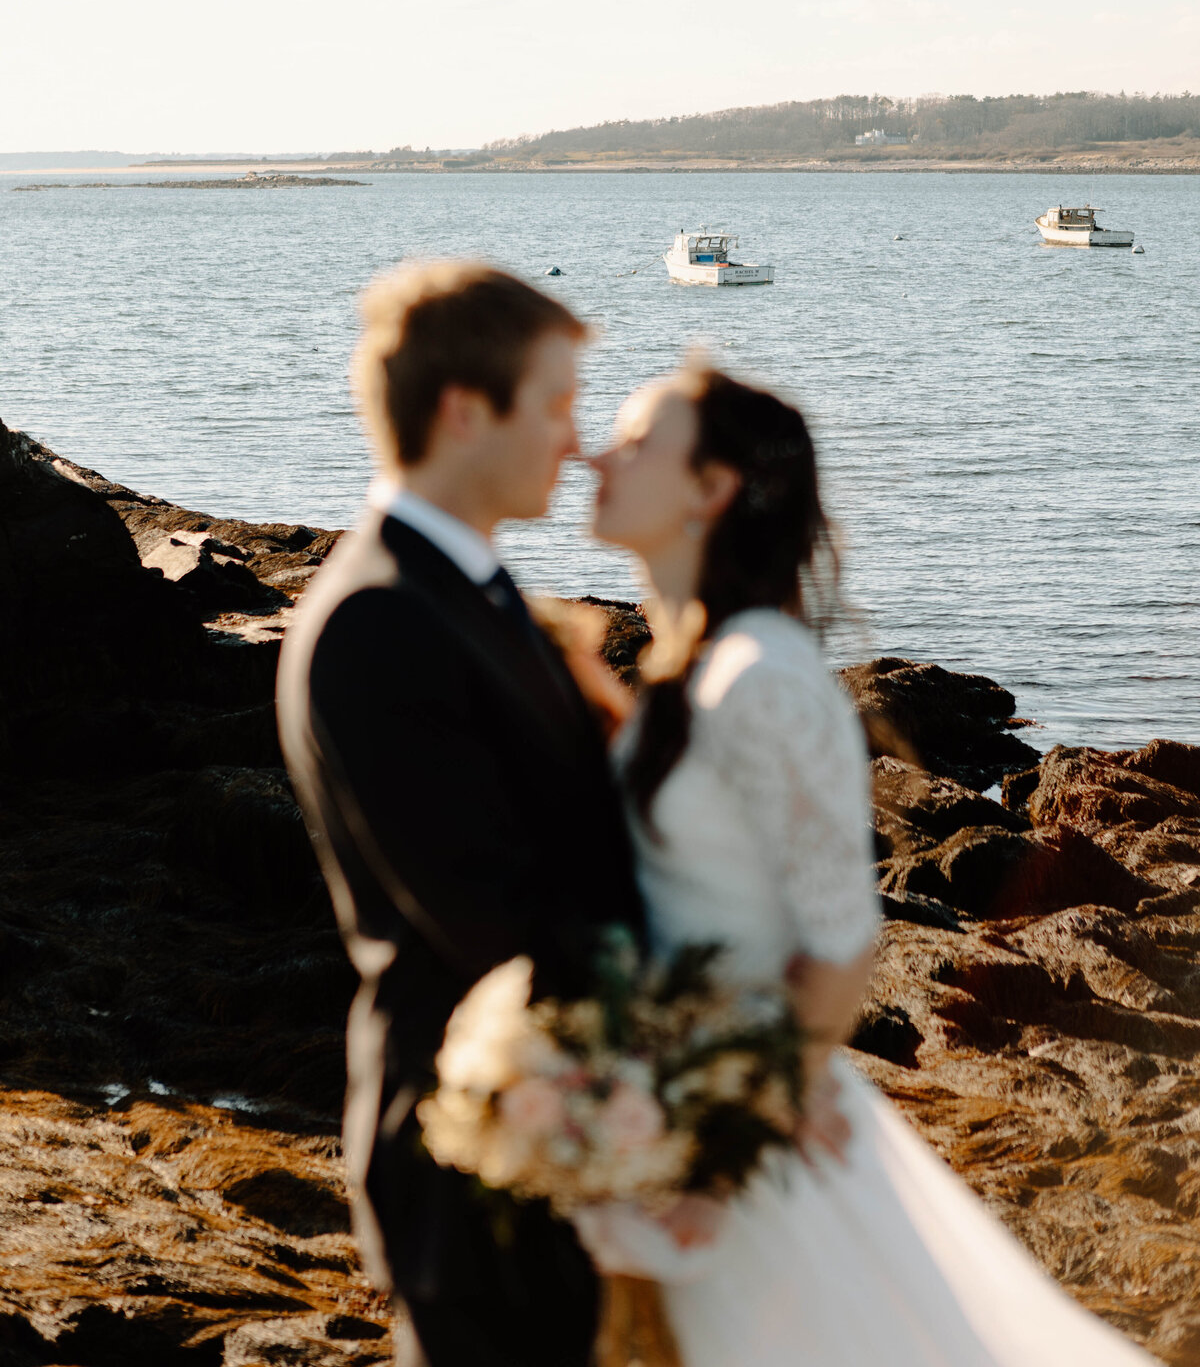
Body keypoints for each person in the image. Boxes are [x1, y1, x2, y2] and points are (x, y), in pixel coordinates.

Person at [583, 362, 1151, 1366]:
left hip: (739, 1155)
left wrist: (713, 1158)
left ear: (711, 491)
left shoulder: (767, 680)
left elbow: (842, 947)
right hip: (665, 1115)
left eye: (636, 442)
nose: (598, 454)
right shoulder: (696, 670)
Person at [277, 261, 642, 1367]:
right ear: (462, 410)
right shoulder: (376, 621)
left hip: (554, 1149)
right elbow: (492, 917)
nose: (575, 443)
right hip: (475, 1159)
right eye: (557, 405)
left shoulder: (471, 595)